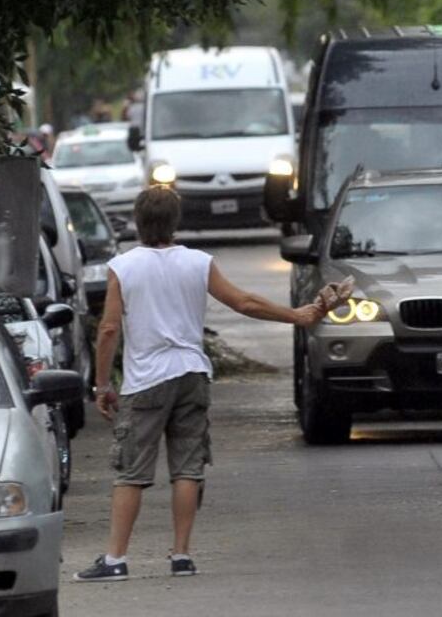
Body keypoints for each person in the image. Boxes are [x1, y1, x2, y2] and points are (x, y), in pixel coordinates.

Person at [74, 186, 325, 581]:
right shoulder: (198, 262)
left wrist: (102, 384)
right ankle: (181, 556)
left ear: (138, 223)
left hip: (146, 381)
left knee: (131, 471)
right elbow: (244, 303)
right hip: (192, 373)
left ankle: (115, 559)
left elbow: (108, 329)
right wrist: (296, 315)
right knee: (187, 467)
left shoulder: (123, 266)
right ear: (176, 222)